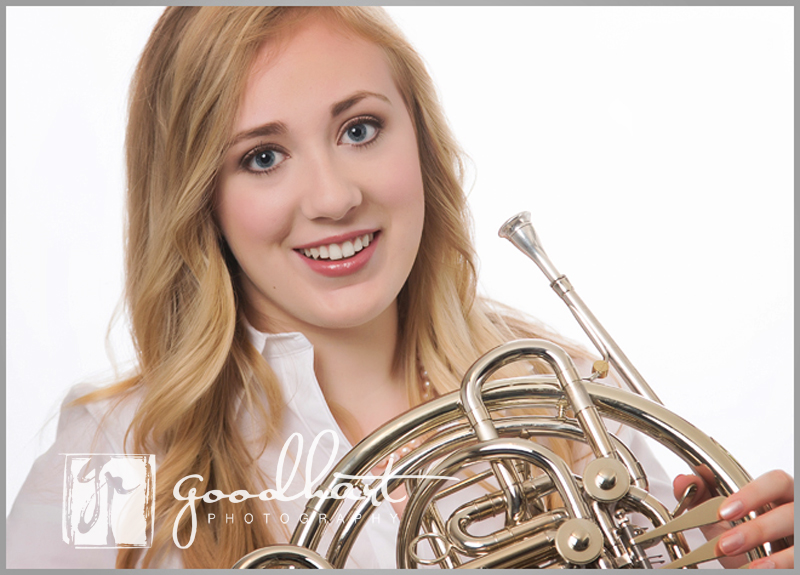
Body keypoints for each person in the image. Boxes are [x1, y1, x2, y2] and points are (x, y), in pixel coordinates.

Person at [7, 6, 793, 569]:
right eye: (262, 157)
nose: (334, 197)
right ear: (196, 196)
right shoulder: (122, 453)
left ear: (419, 139)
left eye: (359, 129)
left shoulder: (554, 392)